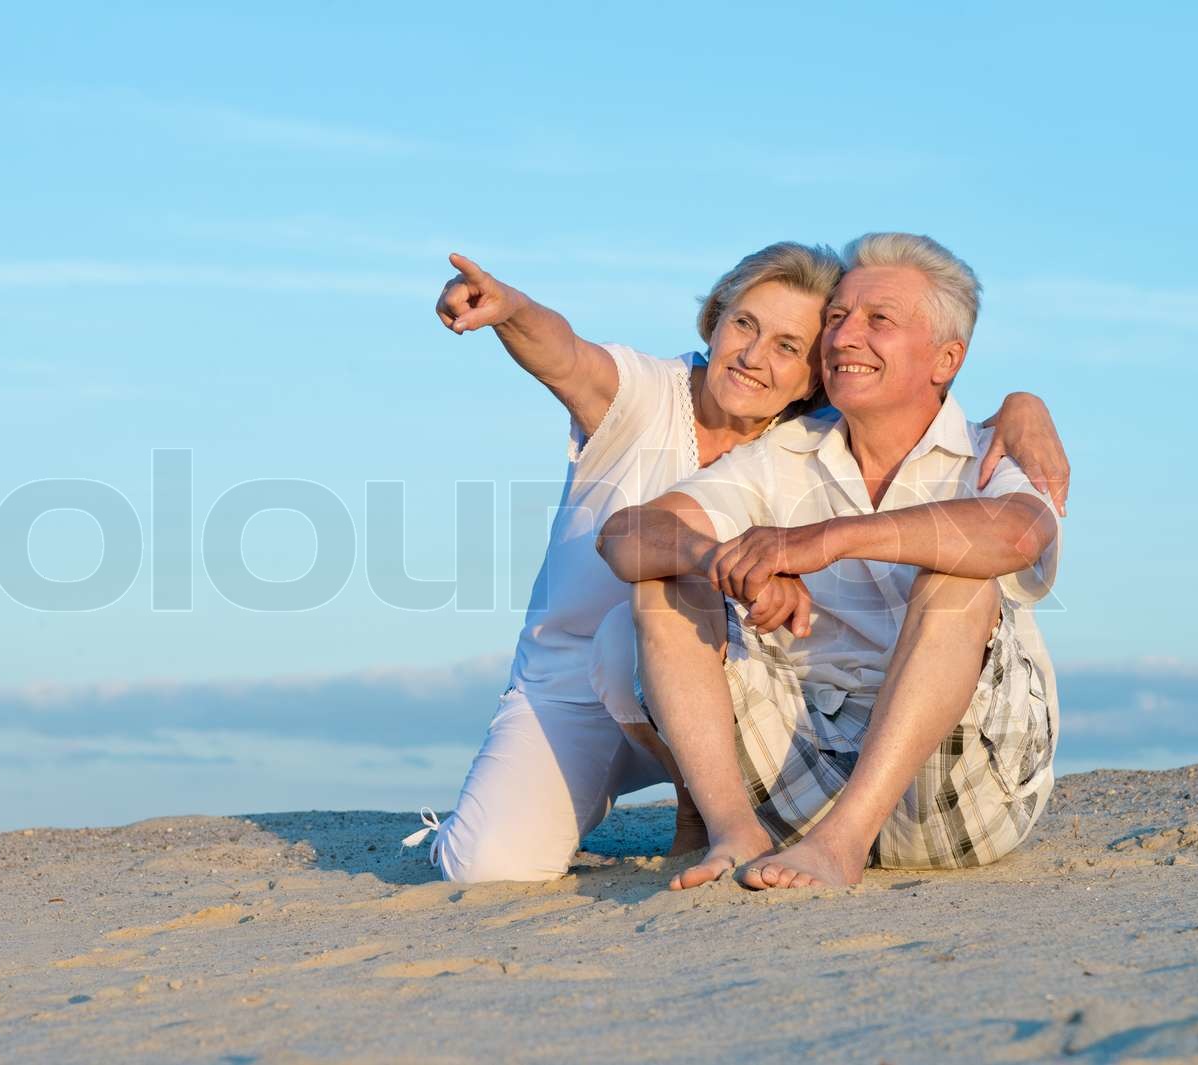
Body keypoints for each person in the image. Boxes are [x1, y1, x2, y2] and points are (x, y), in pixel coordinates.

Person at [421, 242, 1069, 883]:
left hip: (960, 791)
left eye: (877, 320)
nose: (846, 336)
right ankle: (726, 826)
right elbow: (623, 515)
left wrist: (825, 538)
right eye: (838, 318)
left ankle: (839, 843)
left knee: (960, 572)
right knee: (658, 586)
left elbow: (1015, 535)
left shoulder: (986, 450)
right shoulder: (742, 432)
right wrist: (720, 559)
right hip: (679, 722)